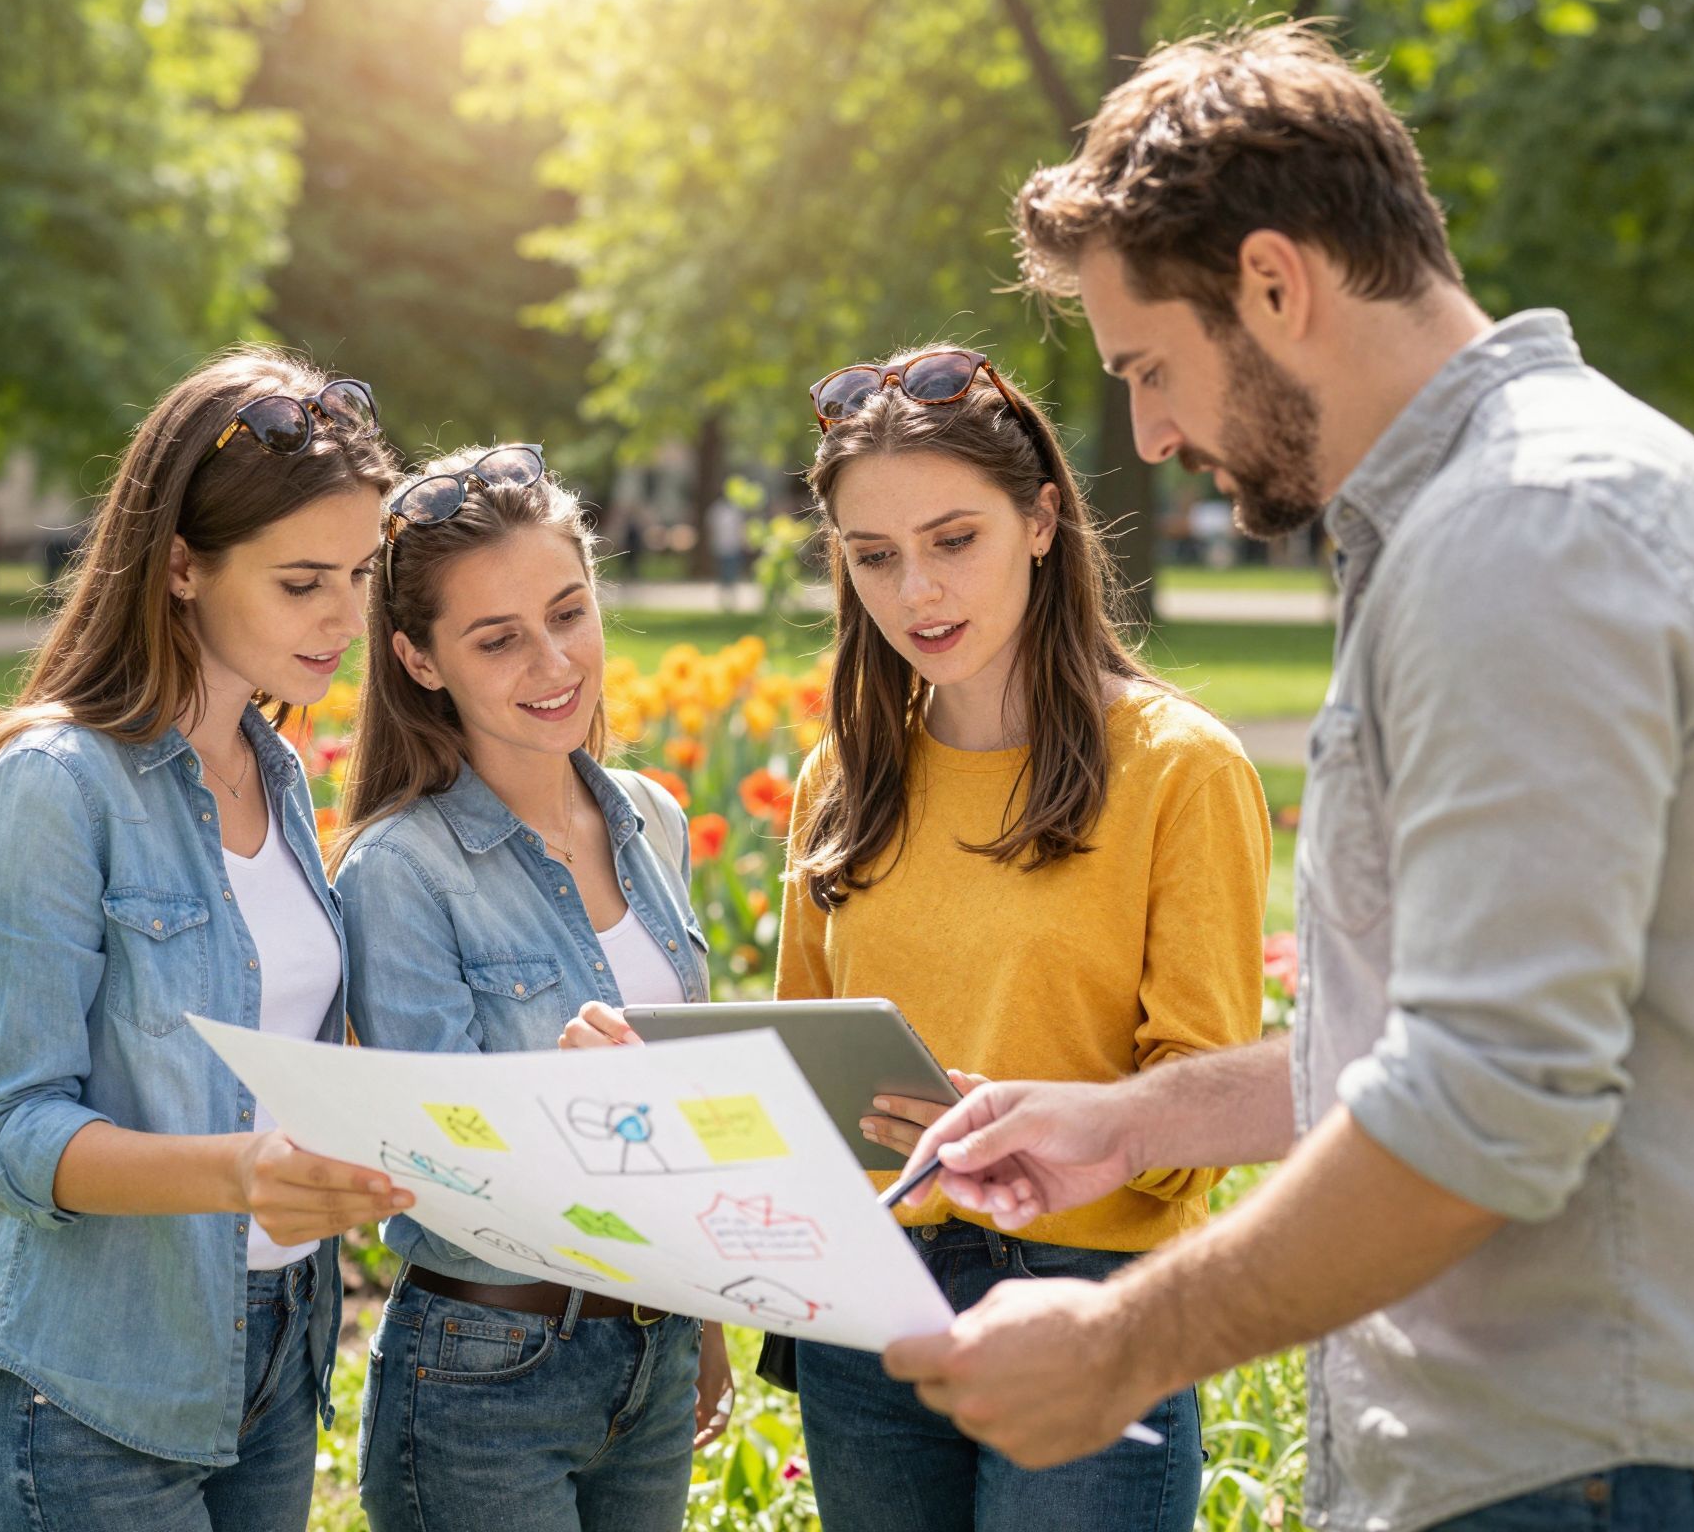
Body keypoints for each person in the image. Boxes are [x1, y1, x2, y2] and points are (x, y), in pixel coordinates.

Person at [883, 22, 1694, 1532]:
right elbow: (1440, 1038)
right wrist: (1130, 1122)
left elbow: (1493, 1097)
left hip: (1617, 1469)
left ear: (1277, 284)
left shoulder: (1529, 532)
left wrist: (1121, 1345)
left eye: (1151, 367)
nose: (1148, 433)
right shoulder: (1493, 520)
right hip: (1602, 1462)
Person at [576, 345, 1271, 1530]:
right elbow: (794, 1076)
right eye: (874, 557)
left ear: (1042, 520)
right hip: (872, 1314)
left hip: (1085, 1303)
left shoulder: (1175, 769)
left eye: (955, 542)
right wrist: (669, 1090)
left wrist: (1034, 1125)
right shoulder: (843, 775)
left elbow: (1198, 1118)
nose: (917, 595)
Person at [0, 349, 408, 1532]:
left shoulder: (278, 769)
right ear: (182, 565)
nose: (346, 618)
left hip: (270, 1365)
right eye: (303, 582)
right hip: (83, 1391)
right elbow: (11, 1130)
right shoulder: (56, 787)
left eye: (359, 574)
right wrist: (239, 1172)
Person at [331, 442, 733, 1532]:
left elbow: (685, 1107)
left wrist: (704, 1320)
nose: (553, 662)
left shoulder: (647, 817)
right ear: (420, 661)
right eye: (497, 639)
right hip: (485, 1368)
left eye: (569, 612)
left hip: (650, 1349)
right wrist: (551, 1101)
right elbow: (432, 1161)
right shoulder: (399, 871)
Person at [706, 487, 747, 609]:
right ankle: (724, 599)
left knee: (732, 573)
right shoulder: (717, 509)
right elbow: (711, 528)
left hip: (733, 546)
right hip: (721, 546)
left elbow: (741, 528)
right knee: (723, 573)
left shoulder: (736, 509)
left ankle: (732, 599)